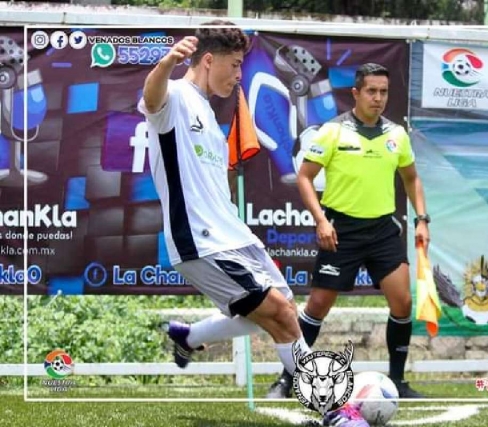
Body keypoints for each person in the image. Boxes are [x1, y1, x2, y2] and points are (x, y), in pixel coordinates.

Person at [137, 21, 313, 383]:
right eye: (234, 65)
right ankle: (330, 406)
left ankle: (190, 336)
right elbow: (152, 98)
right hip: (201, 240)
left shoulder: (209, 113)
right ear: (206, 61)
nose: (238, 75)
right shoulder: (176, 97)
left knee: (284, 309)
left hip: (234, 235)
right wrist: (167, 61)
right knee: (279, 314)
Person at [266, 63, 430, 400]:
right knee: (317, 307)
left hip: (384, 230)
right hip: (342, 230)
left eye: (384, 91)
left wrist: (422, 219)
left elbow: (412, 178)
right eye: (371, 91)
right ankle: (287, 378)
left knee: (403, 303)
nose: (378, 98)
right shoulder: (332, 131)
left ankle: (397, 381)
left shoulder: (396, 134)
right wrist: (321, 221)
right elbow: (305, 177)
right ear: (356, 93)